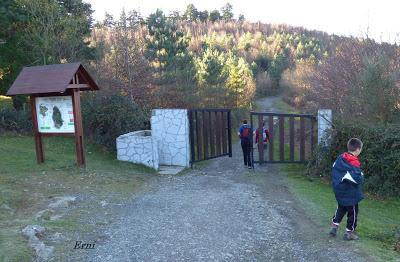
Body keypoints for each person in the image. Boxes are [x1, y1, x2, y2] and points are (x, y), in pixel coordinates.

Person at [329, 138, 364, 240]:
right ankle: (349, 233)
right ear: (357, 149)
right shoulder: (354, 162)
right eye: (360, 149)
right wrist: (362, 175)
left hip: (339, 189)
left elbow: (335, 169)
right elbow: (357, 178)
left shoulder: (340, 158)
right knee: (353, 211)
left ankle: (334, 227)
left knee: (341, 207)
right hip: (350, 192)